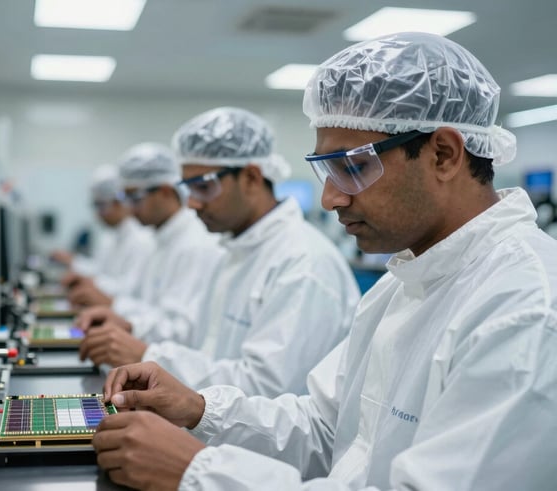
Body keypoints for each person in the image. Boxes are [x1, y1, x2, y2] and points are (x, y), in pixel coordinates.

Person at [91, 32, 557, 490]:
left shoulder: (525, 310)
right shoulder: (405, 283)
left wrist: (201, 474)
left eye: (352, 167)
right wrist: (199, 409)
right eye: (326, 169)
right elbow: (325, 428)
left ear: (443, 154)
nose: (331, 197)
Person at [78, 107, 360, 397]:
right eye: (189, 189)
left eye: (203, 187)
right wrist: (140, 340)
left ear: (251, 177)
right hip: (214, 432)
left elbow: (268, 392)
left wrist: (151, 355)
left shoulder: (302, 263)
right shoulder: (232, 251)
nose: (192, 205)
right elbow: (201, 344)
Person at [67, 142, 223, 345]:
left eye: (135, 198)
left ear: (166, 192)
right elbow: (142, 301)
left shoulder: (194, 244)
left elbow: (183, 331)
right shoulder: (157, 239)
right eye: (126, 199)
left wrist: (126, 319)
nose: (129, 210)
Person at [53, 164, 155, 297]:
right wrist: (76, 265)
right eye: (95, 206)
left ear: (120, 203)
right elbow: (101, 271)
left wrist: (90, 281)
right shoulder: (109, 235)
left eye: (102, 206)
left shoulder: (141, 239)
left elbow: (129, 291)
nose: (98, 214)